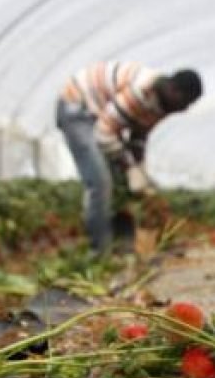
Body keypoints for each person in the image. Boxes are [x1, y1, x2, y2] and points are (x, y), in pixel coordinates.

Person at [56, 61, 202, 251]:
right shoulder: (140, 93)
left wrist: (140, 169)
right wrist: (130, 167)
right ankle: (100, 252)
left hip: (101, 115)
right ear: (174, 90)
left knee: (122, 184)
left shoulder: (165, 103)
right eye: (185, 102)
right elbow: (104, 132)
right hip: (78, 107)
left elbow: (139, 137)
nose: (185, 109)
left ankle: (121, 244)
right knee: (100, 182)